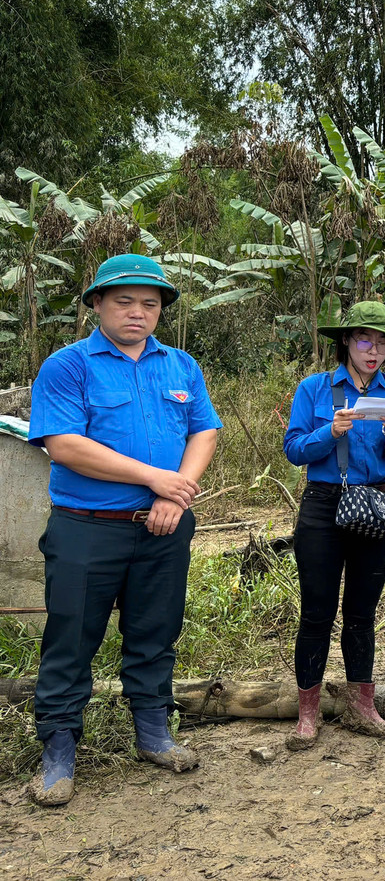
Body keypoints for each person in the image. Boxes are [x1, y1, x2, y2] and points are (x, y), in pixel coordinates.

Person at [26, 254, 221, 806]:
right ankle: (59, 752)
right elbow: (64, 444)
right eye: (124, 301)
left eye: (150, 303)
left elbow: (204, 431)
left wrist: (174, 493)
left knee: (156, 632)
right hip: (87, 529)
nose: (138, 312)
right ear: (97, 304)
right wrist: (156, 479)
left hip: (163, 528)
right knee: (71, 639)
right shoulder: (68, 366)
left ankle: (155, 733)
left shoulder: (181, 366)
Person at [281, 301, 385, 750]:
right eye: (365, 339)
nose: (374, 349)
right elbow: (295, 450)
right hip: (323, 505)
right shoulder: (316, 389)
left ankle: (363, 706)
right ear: (346, 340)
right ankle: (308, 714)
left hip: (376, 502)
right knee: (317, 611)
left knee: (362, 612)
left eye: (382, 342)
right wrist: (331, 432)